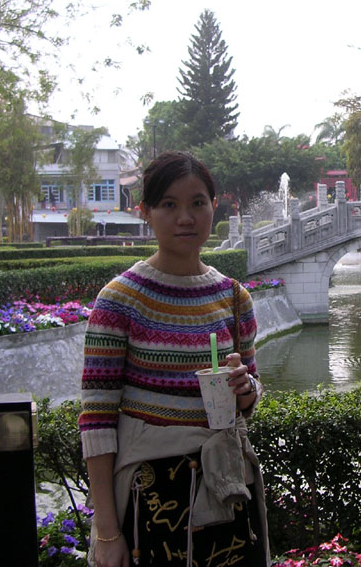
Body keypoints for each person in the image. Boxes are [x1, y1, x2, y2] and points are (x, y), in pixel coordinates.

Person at [78, 151, 269, 567]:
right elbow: (97, 422)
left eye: (197, 203)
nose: (186, 217)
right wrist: (107, 532)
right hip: (151, 500)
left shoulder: (235, 298)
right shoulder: (119, 300)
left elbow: (250, 396)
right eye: (169, 204)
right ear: (145, 211)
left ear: (214, 207)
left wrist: (245, 389)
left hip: (226, 492)